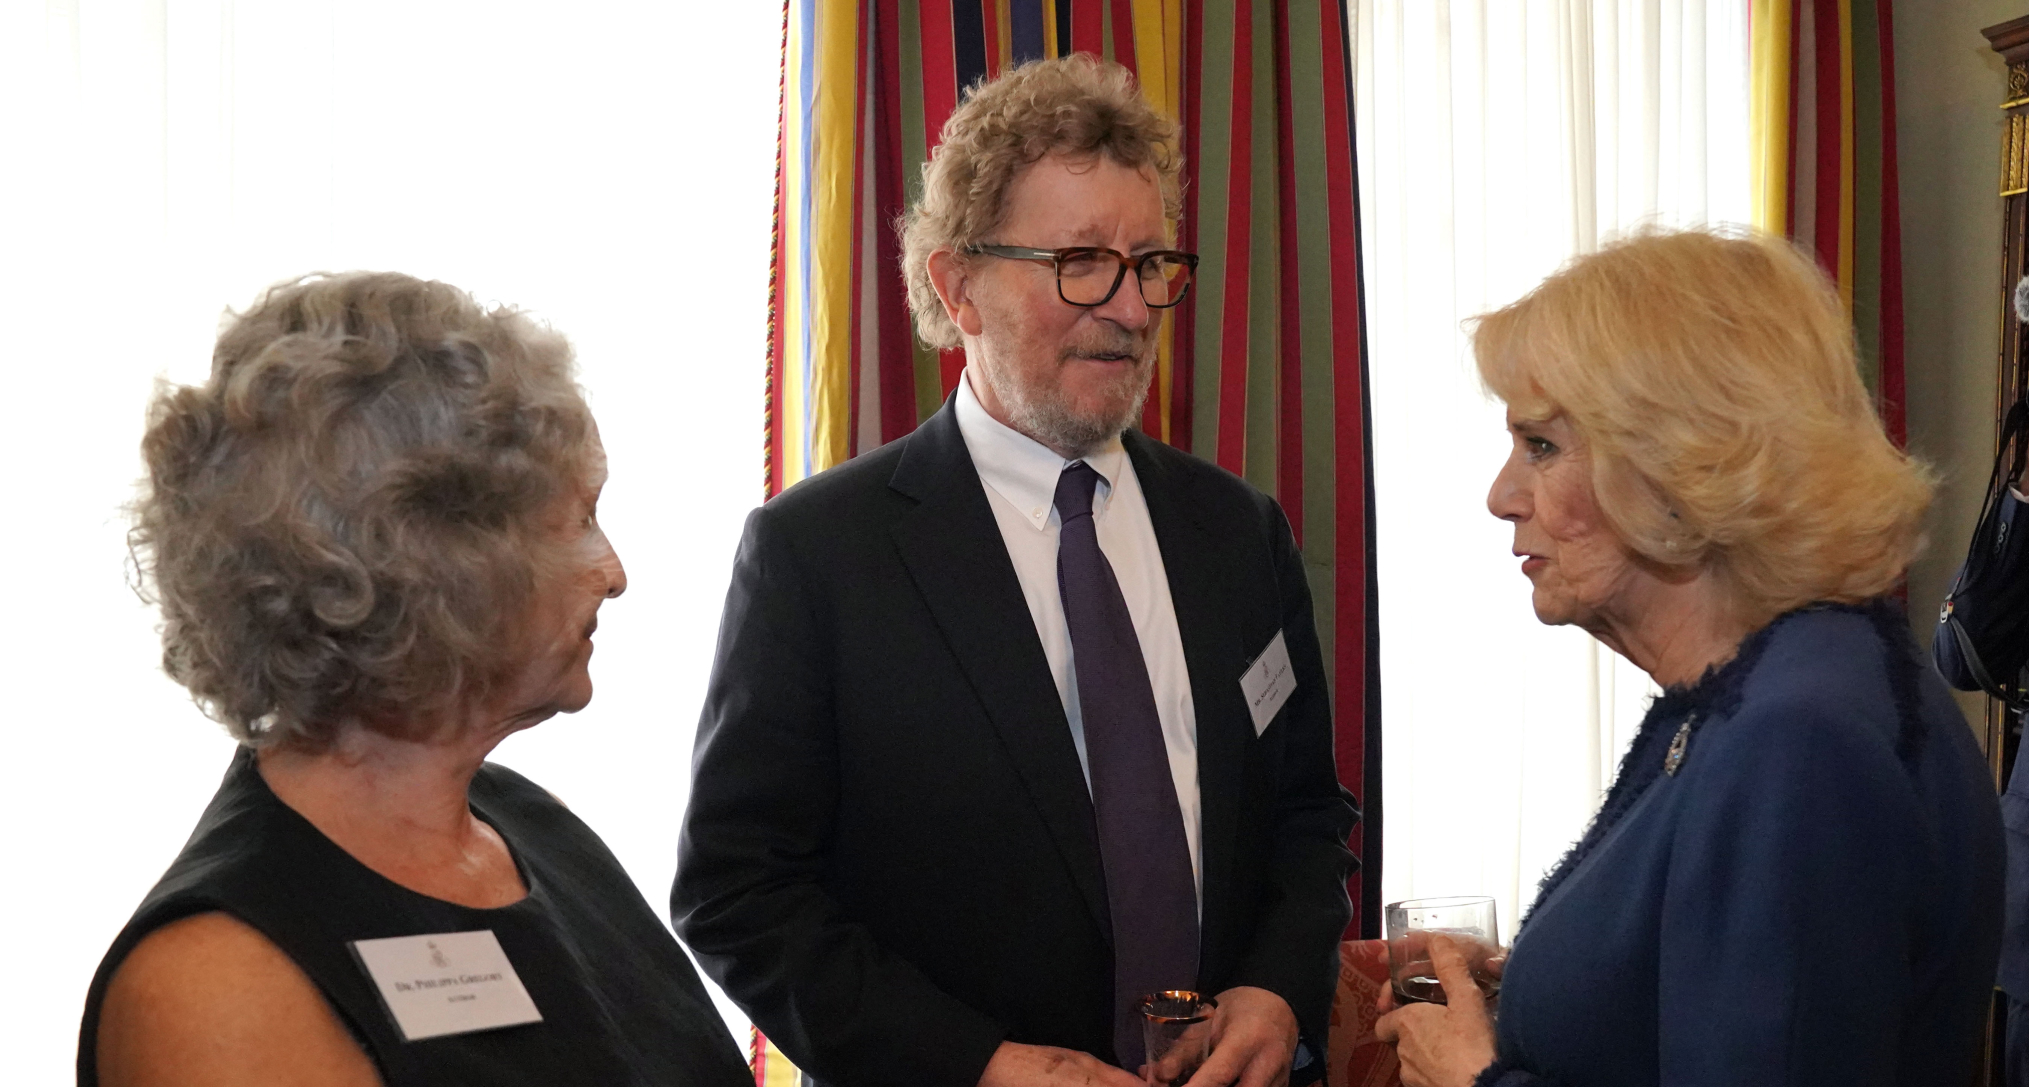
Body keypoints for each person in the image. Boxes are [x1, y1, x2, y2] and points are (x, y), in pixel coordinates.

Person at [672, 55, 1357, 1087]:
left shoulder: (1235, 531)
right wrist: (978, 1066)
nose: (1129, 308)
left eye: (1149, 263)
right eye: (1081, 261)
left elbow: (1307, 818)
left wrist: (1275, 987)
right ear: (960, 287)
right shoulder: (821, 553)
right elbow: (739, 892)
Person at [79, 273, 752, 1087]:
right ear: (444, 565)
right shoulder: (216, 981)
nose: (613, 572)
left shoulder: (534, 827)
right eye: (579, 519)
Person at [1373, 228, 2005, 1087]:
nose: (1501, 495)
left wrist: (1472, 1078)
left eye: (1543, 446)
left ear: (1678, 465)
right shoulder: (1772, 688)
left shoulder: (1795, 739)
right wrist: (1536, 983)